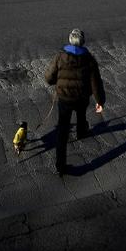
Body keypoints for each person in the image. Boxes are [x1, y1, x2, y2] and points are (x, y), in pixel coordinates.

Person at [45, 28, 106, 175]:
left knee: (62, 130)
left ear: (69, 40)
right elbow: (95, 82)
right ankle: (81, 132)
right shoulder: (89, 59)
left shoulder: (60, 56)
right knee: (81, 115)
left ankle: (61, 166)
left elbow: (49, 78)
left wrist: (57, 81)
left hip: (64, 98)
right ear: (83, 41)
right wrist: (100, 101)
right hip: (81, 97)